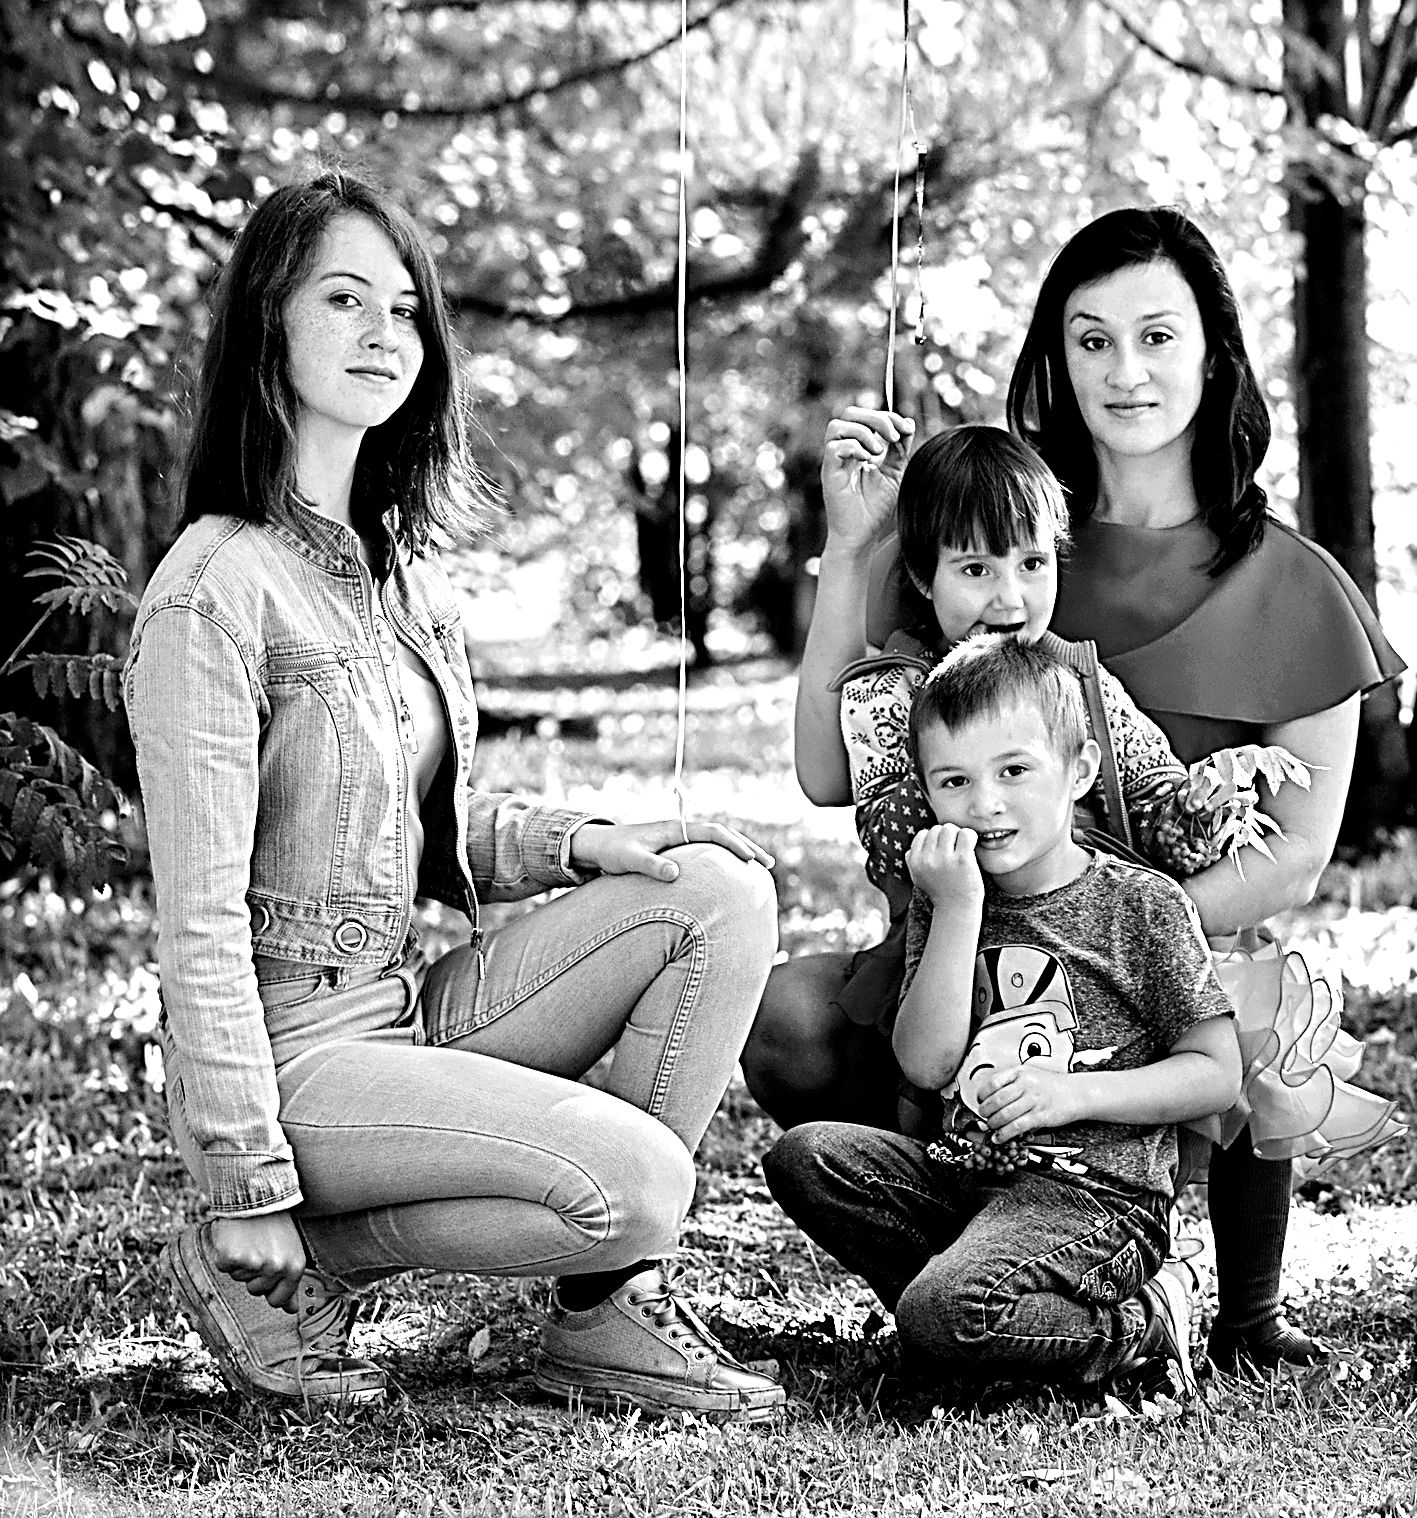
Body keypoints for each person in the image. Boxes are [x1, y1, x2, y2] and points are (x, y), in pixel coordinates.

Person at [124, 169, 785, 1420]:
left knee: (716, 892)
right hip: (297, 1057)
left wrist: (584, 840)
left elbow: (410, 824)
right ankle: (300, 1267)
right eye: (344, 300)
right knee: (643, 1185)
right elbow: (197, 921)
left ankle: (605, 1314)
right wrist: (244, 1178)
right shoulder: (213, 593)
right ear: (269, 322)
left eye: (405, 310)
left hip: (402, 1008)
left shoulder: (401, 579)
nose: (386, 334)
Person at [1005, 206, 1405, 1372]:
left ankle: (1247, 1315)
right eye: (1090, 340)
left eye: (1156, 336)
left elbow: (1294, 854)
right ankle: (990, 1286)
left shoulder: (1297, 586)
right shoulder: (1011, 556)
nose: (1123, 371)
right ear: (1055, 360)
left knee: (1247, 1003)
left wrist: (1124, 933)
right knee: (808, 1018)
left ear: (1215, 355)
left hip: (1190, 935)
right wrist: (854, 547)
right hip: (1004, 933)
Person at [741, 420, 1274, 1134]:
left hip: (1088, 945)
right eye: (975, 570)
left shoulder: (1079, 682)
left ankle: (1178, 1193)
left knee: (1247, 1021)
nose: (1010, 599)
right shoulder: (892, 691)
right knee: (853, 1041)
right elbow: (889, 832)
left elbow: (1154, 803)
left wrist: (1201, 808)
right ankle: (916, 1170)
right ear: (923, 577)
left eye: (1031, 563)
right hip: (948, 951)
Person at [763, 637, 1242, 1395]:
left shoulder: (1142, 906)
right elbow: (926, 1065)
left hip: (1095, 1199)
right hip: (966, 1179)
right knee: (807, 1156)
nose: (983, 804)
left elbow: (1216, 1074)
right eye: (953, 781)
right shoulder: (949, 898)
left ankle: (1145, 1323)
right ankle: (973, 1330)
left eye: (1013, 771)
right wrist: (957, 910)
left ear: (1079, 771)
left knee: (941, 1313)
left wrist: (1072, 1094)